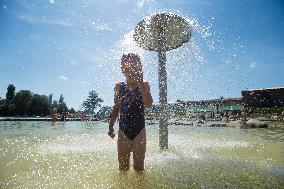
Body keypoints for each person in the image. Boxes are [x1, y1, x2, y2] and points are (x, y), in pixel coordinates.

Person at [108, 53, 153, 172]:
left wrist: (141, 83)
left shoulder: (145, 85)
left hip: (140, 131)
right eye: (128, 68)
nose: (131, 71)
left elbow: (148, 104)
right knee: (123, 168)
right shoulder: (119, 86)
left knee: (139, 168)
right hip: (123, 131)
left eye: (135, 68)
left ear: (140, 68)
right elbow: (116, 108)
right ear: (122, 69)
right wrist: (111, 127)